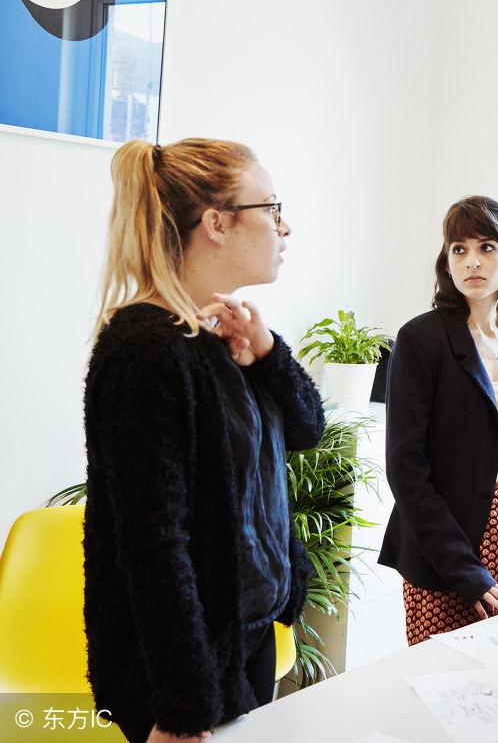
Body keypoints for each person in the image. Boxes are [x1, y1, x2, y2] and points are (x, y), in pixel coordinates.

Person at [83, 139, 325, 743]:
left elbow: (306, 429)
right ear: (217, 223)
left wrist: (267, 355)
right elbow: (153, 542)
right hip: (183, 673)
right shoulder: (145, 349)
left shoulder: (224, 336)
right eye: (272, 207)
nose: (284, 225)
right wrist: (182, 707)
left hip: (246, 640)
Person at [379, 195, 498, 644]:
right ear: (446, 262)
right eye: (458, 249)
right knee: (443, 680)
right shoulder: (420, 339)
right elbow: (406, 470)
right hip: (442, 540)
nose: (472, 262)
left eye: (486, 247)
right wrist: (467, 570)